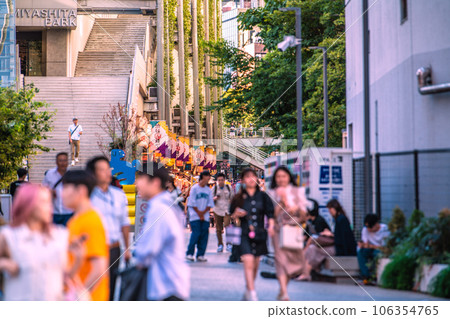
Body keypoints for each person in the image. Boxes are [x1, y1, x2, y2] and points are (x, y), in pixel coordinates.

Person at [0, 184, 83, 301]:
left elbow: (65, 276)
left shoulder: (60, 235)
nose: (49, 207)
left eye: (49, 202)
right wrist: (4, 263)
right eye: (43, 202)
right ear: (28, 204)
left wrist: (78, 259)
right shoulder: (9, 235)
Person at [134, 162, 190, 301]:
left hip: (165, 286)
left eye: (141, 179)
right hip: (170, 283)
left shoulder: (159, 209)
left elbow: (148, 250)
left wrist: (136, 256)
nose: (136, 184)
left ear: (155, 182)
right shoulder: (166, 205)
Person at [86, 156, 131, 301]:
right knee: (95, 287)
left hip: (114, 249)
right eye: (101, 170)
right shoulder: (88, 196)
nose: (106, 173)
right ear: (93, 174)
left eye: (107, 169)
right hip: (94, 250)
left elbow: (124, 223)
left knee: (111, 288)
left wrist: (127, 249)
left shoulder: (118, 195)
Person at [62, 170, 109, 301]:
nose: (62, 193)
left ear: (81, 190)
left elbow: (99, 267)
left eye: (66, 188)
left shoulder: (91, 220)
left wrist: (82, 296)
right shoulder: (75, 220)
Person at [229, 168, 274, 301]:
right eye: (247, 177)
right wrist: (236, 213)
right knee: (248, 260)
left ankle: (249, 288)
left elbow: (270, 213)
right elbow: (231, 213)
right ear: (243, 181)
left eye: (253, 176)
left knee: (255, 264)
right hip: (244, 233)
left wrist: (271, 226)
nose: (251, 179)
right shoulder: (238, 197)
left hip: (259, 233)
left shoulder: (263, 196)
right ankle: (253, 293)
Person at [267, 166, 307, 301]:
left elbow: (304, 216)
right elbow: (271, 215)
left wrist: (296, 212)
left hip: (292, 231)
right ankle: (284, 292)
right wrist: (281, 203)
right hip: (278, 231)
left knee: (292, 262)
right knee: (280, 260)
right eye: (278, 176)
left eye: (284, 176)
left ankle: (282, 289)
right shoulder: (271, 193)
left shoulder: (297, 192)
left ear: (289, 177)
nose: (281, 179)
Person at [302, 199, 357, 280]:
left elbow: (342, 238)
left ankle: (307, 273)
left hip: (340, 249)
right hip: (338, 247)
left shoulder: (341, 219)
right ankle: (307, 272)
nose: (329, 212)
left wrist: (330, 234)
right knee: (312, 248)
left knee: (312, 249)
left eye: (330, 209)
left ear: (335, 208)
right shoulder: (340, 219)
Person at [186, 171, 215, 262]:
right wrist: (199, 214)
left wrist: (203, 213)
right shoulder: (194, 189)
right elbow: (192, 203)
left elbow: (210, 203)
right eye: (207, 178)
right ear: (202, 178)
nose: (208, 181)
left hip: (205, 217)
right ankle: (190, 253)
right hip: (195, 216)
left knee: (204, 236)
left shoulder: (208, 190)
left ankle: (200, 254)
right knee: (196, 234)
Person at [42, 152, 73, 226]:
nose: (63, 163)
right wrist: (50, 192)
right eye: (60, 160)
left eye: (65, 160)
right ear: (56, 162)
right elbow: (43, 190)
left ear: (67, 162)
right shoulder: (50, 174)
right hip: (53, 212)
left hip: (69, 212)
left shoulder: (71, 174)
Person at [357, 214, 390, 284]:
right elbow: (365, 243)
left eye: (370, 227)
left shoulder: (384, 229)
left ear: (376, 224)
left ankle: (375, 276)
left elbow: (384, 247)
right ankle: (365, 276)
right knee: (361, 252)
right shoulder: (365, 229)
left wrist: (370, 246)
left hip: (379, 250)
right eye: (367, 227)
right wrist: (362, 245)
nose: (369, 229)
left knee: (377, 254)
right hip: (369, 249)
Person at [212, 173, 234, 253]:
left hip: (226, 211)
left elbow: (232, 198)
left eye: (222, 180)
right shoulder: (214, 188)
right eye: (219, 180)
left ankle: (229, 244)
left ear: (224, 180)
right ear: (217, 181)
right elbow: (210, 200)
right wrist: (215, 198)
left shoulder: (228, 188)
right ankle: (220, 245)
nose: (220, 181)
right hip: (217, 211)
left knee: (228, 227)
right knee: (218, 229)